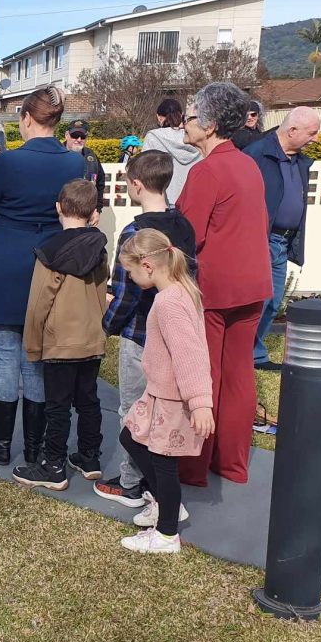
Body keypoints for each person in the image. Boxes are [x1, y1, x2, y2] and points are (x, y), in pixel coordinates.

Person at [0, 85, 85, 466]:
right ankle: (33, 447)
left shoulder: (9, 163)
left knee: (3, 357)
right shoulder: (74, 164)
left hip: (1, 264)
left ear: (27, 119)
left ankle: (1, 444)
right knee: (35, 357)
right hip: (47, 265)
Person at [176, 82, 272, 486]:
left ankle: (194, 467)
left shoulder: (207, 170)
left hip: (215, 289)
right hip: (253, 284)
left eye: (191, 116)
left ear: (211, 124)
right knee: (238, 375)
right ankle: (232, 464)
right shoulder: (248, 164)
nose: (185, 123)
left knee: (206, 377)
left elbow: (187, 236)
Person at [95, 151, 197, 506]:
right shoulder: (184, 226)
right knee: (165, 411)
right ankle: (160, 478)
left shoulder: (135, 233)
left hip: (141, 336)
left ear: (136, 185)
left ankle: (132, 483)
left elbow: (124, 294)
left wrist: (107, 327)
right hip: (176, 335)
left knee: (134, 411)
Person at [116, 228, 215, 554]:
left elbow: (190, 354)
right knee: (130, 436)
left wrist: (200, 402)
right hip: (159, 392)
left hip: (172, 398)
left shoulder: (169, 302)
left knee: (163, 464)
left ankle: (167, 535)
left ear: (147, 265)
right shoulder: (178, 292)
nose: (129, 278)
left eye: (129, 271)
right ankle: (169, 506)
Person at [12, 178, 109, 491]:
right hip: (91, 335)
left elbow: (40, 300)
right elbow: (100, 290)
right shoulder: (99, 246)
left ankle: (54, 465)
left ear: (58, 208)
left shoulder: (49, 251)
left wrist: (33, 341)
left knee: (58, 406)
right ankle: (90, 457)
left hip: (60, 340)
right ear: (93, 212)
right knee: (88, 400)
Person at [244, 107, 321, 371]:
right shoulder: (257, 154)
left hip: (282, 243)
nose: (316, 139)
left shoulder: (299, 160)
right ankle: (243, 355)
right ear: (292, 131)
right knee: (258, 301)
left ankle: (255, 354)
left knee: (273, 301)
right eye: (312, 133)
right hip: (261, 241)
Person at [141, 98, 201, 205]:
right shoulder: (194, 136)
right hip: (194, 200)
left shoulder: (153, 137)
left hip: (163, 200)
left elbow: (143, 170)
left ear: (159, 117)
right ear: (181, 115)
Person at [63, 119, 106, 209]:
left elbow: (100, 183)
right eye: (75, 135)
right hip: (61, 213)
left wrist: (97, 209)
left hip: (86, 213)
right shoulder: (56, 155)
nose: (79, 140)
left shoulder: (91, 156)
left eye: (82, 136)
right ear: (67, 135)